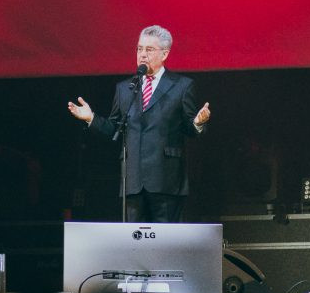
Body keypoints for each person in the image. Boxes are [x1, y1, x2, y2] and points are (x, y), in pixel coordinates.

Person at [68, 25, 210, 222]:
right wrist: (91, 118)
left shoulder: (182, 86)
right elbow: (114, 129)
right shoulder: (126, 89)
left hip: (166, 181)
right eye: (139, 49)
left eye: (149, 50)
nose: (142, 54)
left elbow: (188, 128)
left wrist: (197, 122)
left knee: (165, 244)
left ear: (165, 54)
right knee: (134, 245)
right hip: (133, 181)